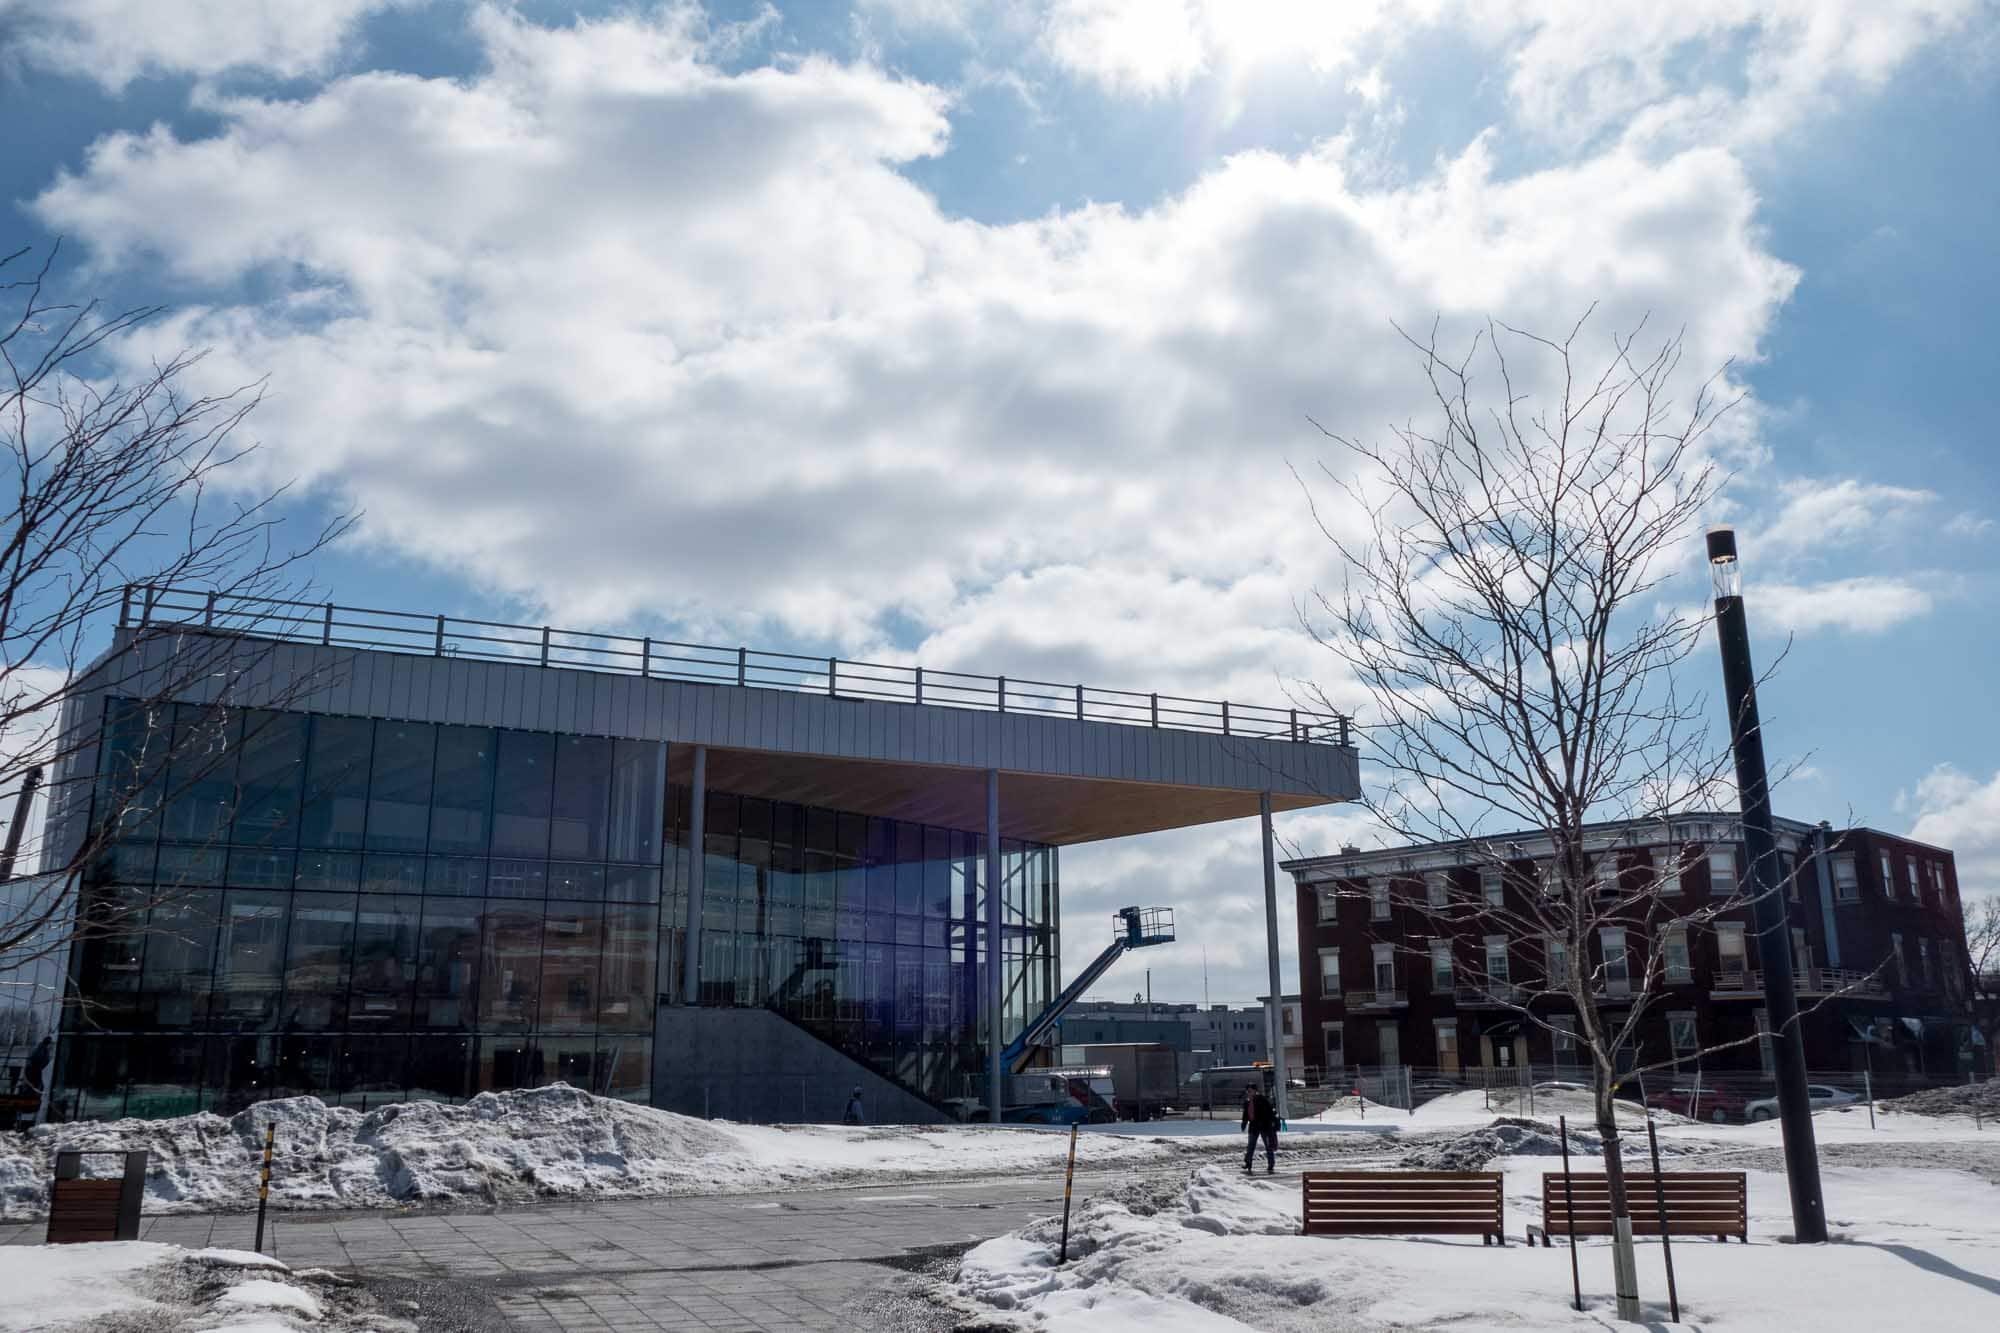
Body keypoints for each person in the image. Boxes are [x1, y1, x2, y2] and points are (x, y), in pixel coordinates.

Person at [1241, 1083, 1278, 1174]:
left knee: (1268, 1146)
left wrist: (1271, 1123)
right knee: (1250, 1146)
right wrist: (1244, 1123)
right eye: (1247, 1091)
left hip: (1264, 1126)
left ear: (1255, 1090)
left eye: (1250, 1091)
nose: (1249, 1092)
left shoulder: (1262, 1099)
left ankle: (1271, 1164)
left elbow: (1269, 1112)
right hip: (1253, 1126)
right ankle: (1248, 1162)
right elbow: (1246, 1114)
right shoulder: (1247, 1101)